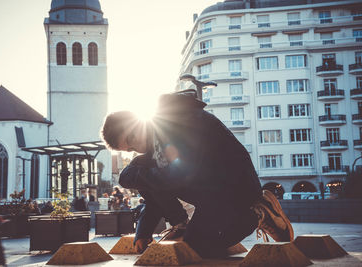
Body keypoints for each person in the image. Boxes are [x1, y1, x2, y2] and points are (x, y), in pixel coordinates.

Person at [101, 89, 293, 258]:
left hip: (235, 190)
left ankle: (259, 212)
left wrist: (139, 175)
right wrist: (143, 231)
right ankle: (181, 225)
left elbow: (179, 175)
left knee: (199, 248)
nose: (137, 146)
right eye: (130, 148)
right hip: (210, 195)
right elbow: (138, 182)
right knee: (145, 176)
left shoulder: (178, 122)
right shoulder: (154, 145)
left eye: (132, 137)